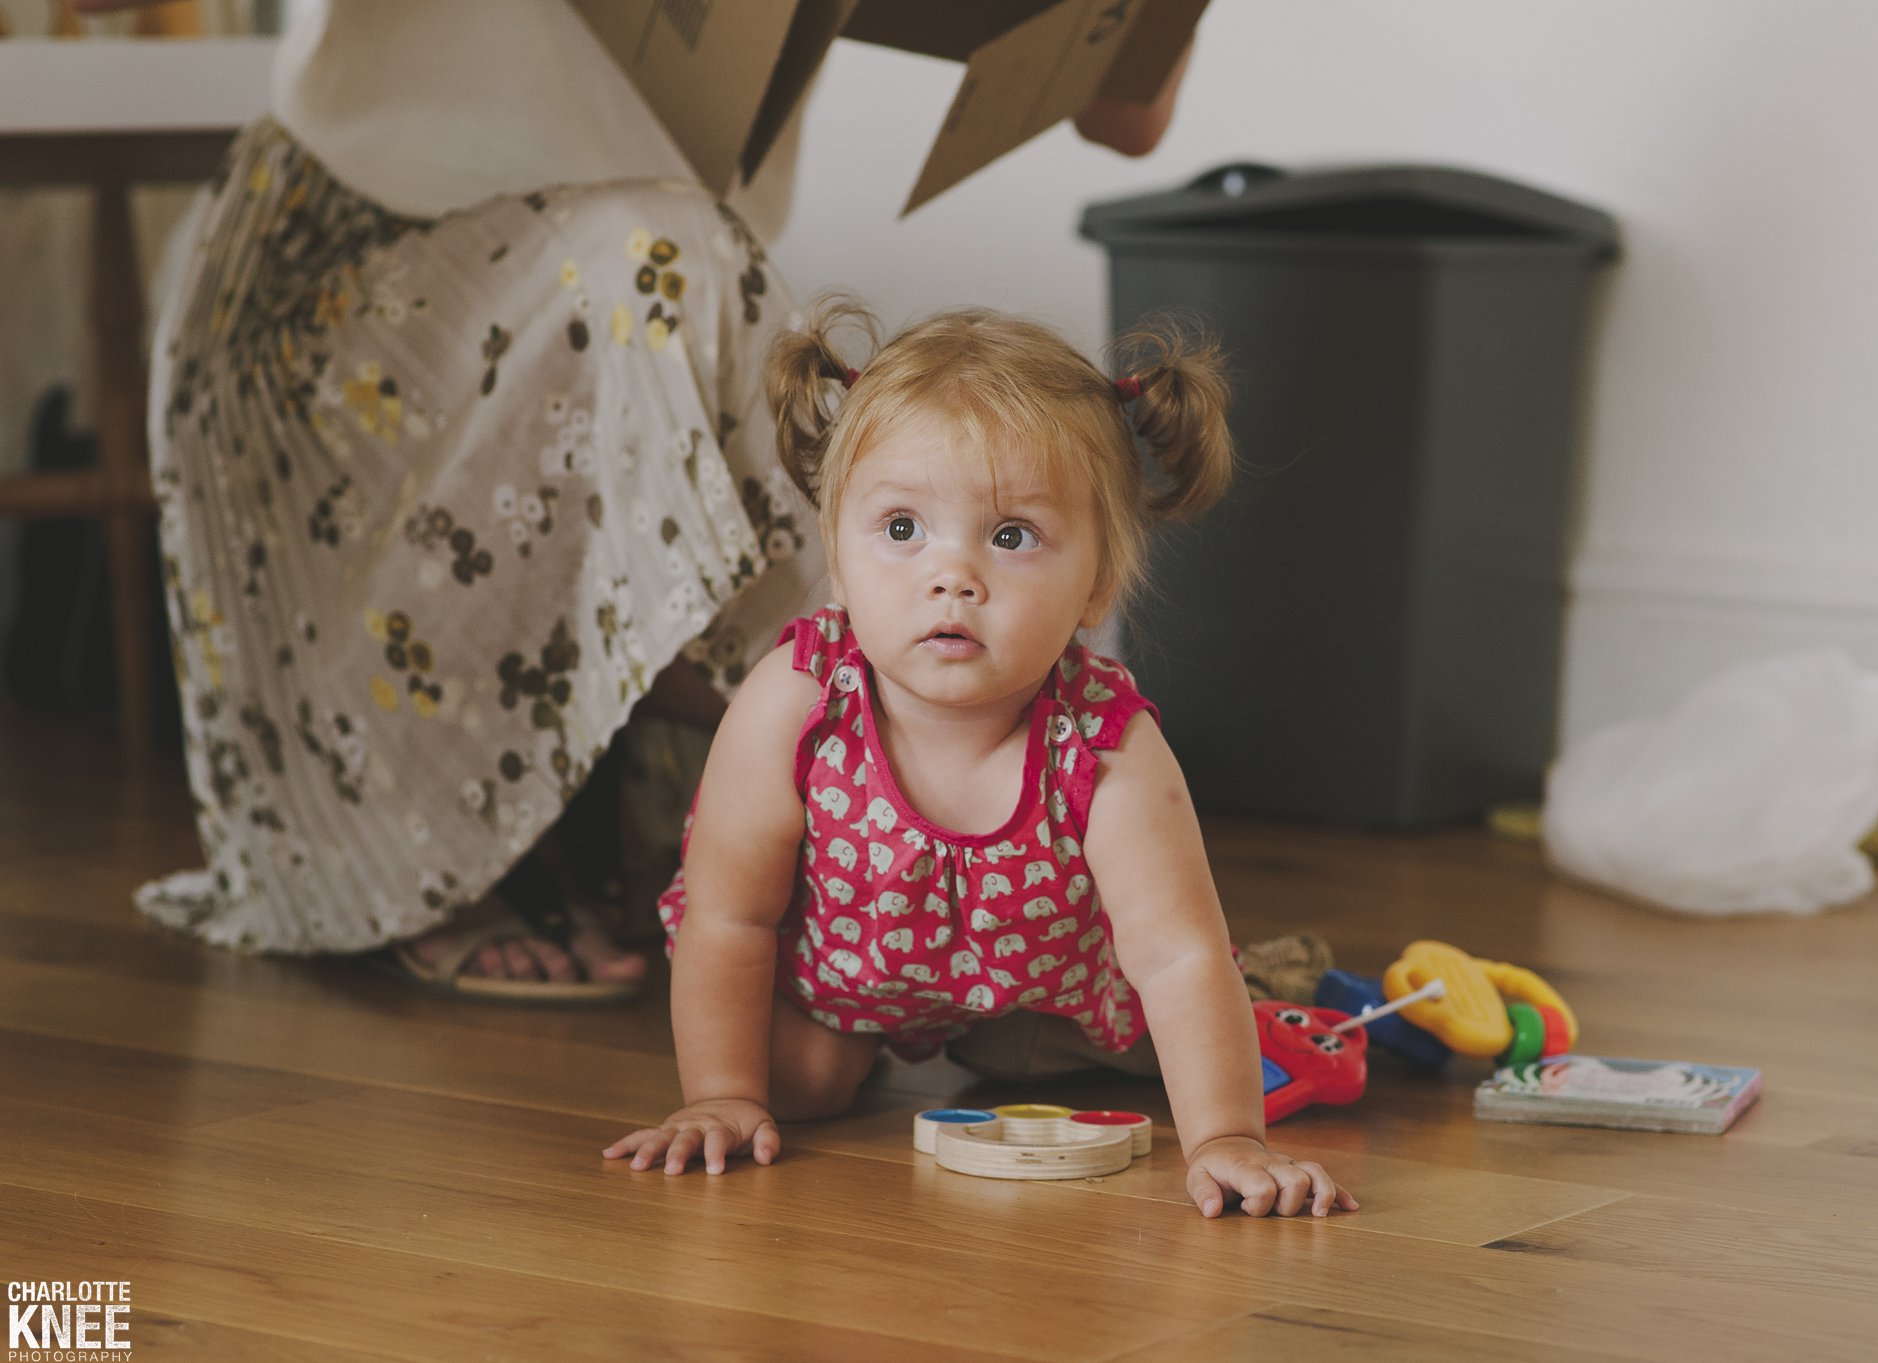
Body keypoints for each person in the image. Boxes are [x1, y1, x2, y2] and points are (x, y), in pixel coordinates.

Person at [75, 0, 1191, 1001]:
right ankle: (847, 783)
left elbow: (1122, 111)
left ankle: (953, 830)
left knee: (701, 292)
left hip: (647, 283)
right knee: (672, 267)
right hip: (361, 263)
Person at [602, 299, 1359, 1218]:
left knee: (1157, 1053)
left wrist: (1226, 1136)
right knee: (796, 1084)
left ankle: (1270, 999)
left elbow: (1175, 957)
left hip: (1051, 983)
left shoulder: (1106, 746)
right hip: (841, 981)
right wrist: (721, 1093)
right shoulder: (794, 704)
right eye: (901, 529)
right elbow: (730, 915)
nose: (952, 575)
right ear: (837, 560)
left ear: (1098, 583)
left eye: (1011, 537)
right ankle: (882, 1046)